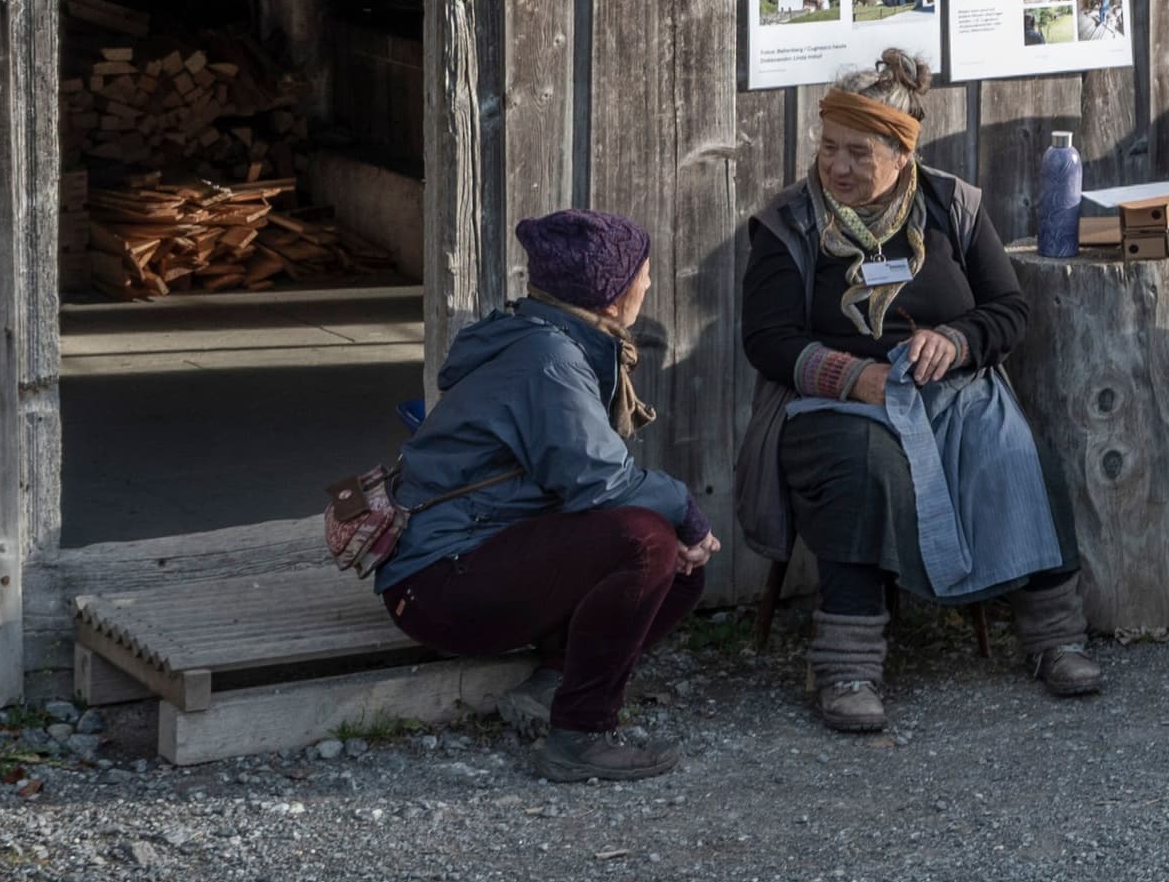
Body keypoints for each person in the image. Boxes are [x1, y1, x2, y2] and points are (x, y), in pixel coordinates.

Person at [736, 52, 1096, 735]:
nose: (837, 167)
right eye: (828, 148)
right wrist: (851, 375)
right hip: (834, 399)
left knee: (1017, 454)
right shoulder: (790, 222)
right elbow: (768, 339)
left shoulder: (950, 204)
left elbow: (1008, 309)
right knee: (862, 468)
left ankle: (1056, 637)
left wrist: (956, 341)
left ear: (903, 153)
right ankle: (847, 666)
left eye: (858, 152)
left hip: (947, 389)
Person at [377, 209, 712, 783]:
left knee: (678, 567)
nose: (650, 284)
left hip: (465, 562)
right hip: (438, 585)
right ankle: (581, 733)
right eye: (644, 274)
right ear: (612, 294)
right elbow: (600, 480)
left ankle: (559, 681)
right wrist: (685, 508)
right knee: (646, 540)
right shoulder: (550, 361)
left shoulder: (549, 338)